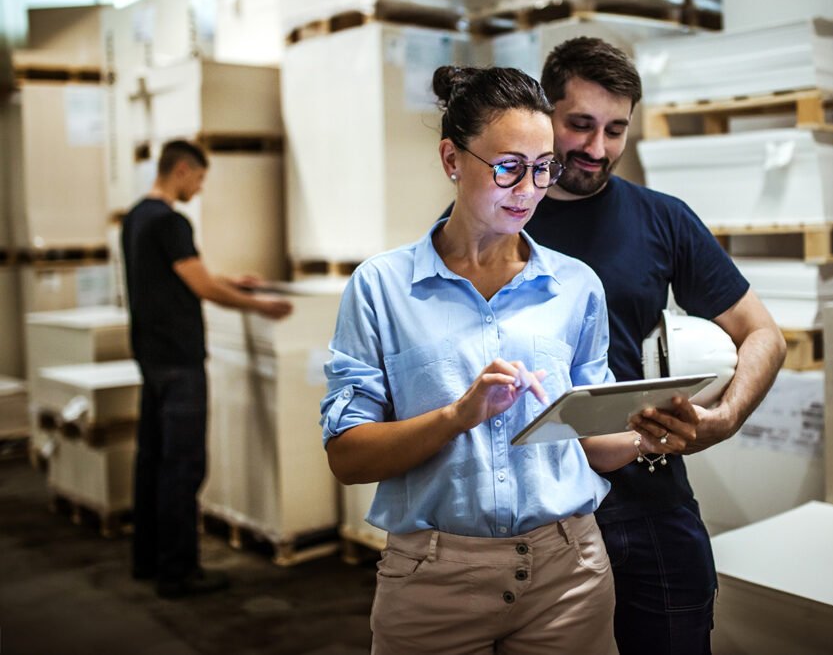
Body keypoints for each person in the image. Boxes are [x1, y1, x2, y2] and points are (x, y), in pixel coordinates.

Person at [321, 66, 685, 654]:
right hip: (433, 583)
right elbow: (347, 457)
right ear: (452, 159)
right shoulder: (381, 288)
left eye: (544, 168)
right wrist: (457, 415)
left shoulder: (577, 287)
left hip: (569, 573)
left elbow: (590, 442)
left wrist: (652, 435)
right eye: (509, 167)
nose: (529, 189)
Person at [453, 38, 787, 653]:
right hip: (535, 513)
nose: (596, 148)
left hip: (648, 501)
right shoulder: (495, 219)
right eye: (579, 124)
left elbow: (762, 332)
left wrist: (725, 418)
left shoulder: (662, 218)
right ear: (543, 113)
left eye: (615, 130)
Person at [121, 139, 293, 599]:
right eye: (198, 178)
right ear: (181, 170)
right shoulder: (171, 221)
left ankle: (147, 560)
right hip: (179, 361)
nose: (198, 188)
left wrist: (230, 280)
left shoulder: (137, 217)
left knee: (151, 461)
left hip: (151, 358)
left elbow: (178, 275)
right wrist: (260, 306)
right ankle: (179, 572)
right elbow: (200, 287)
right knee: (184, 465)